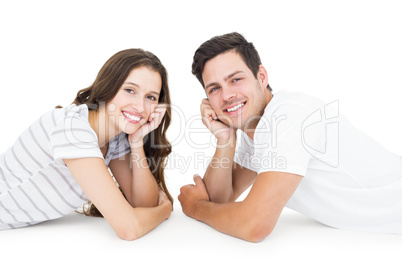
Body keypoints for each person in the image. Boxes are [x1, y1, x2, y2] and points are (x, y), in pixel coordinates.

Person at [178, 32, 402, 242]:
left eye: (235, 79)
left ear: (262, 76)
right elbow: (219, 200)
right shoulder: (254, 128)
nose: (226, 95)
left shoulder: (290, 116)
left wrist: (197, 208)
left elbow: (254, 225)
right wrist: (225, 140)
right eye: (214, 88)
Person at [0, 48, 173, 240]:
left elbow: (143, 205)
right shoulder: (74, 130)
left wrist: (137, 143)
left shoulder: (114, 139)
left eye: (150, 97)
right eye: (130, 90)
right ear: (109, 86)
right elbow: (129, 228)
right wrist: (165, 210)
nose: (140, 107)